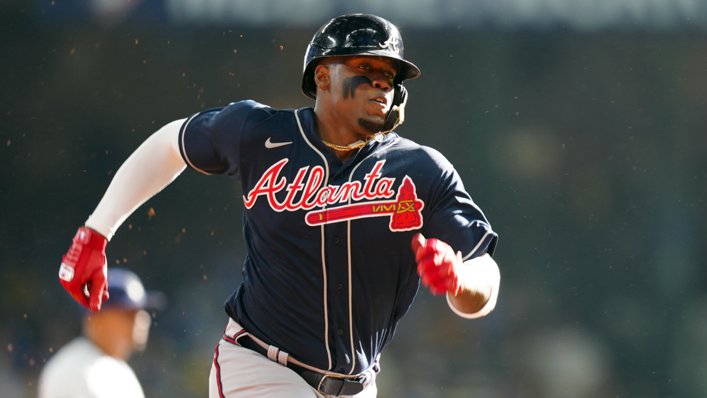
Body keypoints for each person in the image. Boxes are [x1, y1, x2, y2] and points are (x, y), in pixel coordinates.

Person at [57, 14, 500, 398]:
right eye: (367, 67)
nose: (383, 81)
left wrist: (461, 280)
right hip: (262, 367)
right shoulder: (258, 133)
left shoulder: (422, 170)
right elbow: (170, 143)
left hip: (359, 384)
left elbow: (485, 280)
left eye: (392, 74)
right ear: (322, 76)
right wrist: (96, 231)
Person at [40, 268, 165, 398]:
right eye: (129, 313)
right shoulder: (75, 371)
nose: (142, 319)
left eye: (140, 312)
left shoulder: (119, 372)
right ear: (97, 316)